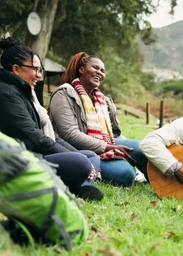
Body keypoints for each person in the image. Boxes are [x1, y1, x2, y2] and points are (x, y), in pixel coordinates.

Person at [0, 37, 104, 201]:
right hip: (17, 160)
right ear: (16, 69)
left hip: (36, 154)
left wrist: (80, 156)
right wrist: (79, 160)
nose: (39, 76)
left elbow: (53, 136)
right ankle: (77, 185)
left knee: (91, 156)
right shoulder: (6, 94)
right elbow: (36, 139)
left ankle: (75, 185)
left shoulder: (27, 94)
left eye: (40, 71)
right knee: (81, 164)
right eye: (35, 70)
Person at [49, 52, 148, 187]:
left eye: (102, 71)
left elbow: (115, 133)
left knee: (140, 147)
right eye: (95, 68)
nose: (99, 72)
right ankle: (129, 170)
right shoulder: (64, 94)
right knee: (126, 175)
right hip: (77, 150)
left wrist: (121, 147)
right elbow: (69, 134)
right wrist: (107, 147)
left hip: (103, 144)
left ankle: (162, 184)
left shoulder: (103, 100)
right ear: (81, 69)